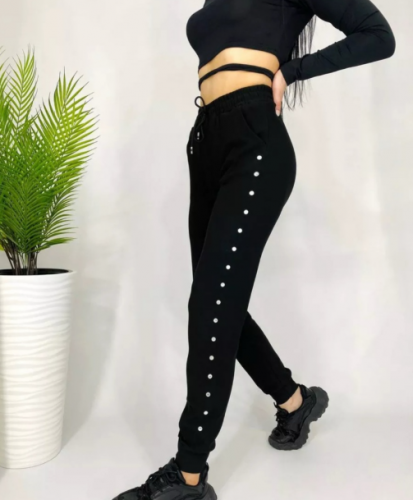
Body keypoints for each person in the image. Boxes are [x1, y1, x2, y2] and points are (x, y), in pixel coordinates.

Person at [112, 0, 395, 498]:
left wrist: (292, 71)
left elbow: (378, 34)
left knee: (212, 305)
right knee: (217, 304)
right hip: (206, 142)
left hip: (255, 142)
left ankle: (189, 476)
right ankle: (295, 401)